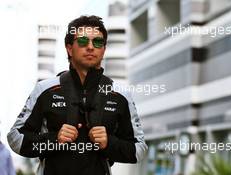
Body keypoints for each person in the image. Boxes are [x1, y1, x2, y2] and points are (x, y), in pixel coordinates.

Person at [7, 15, 147, 175]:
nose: (90, 47)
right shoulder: (44, 90)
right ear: (69, 48)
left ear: (104, 49)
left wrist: (109, 142)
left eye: (97, 42)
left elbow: (139, 149)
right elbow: (15, 138)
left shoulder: (120, 95)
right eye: (82, 41)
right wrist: (54, 140)